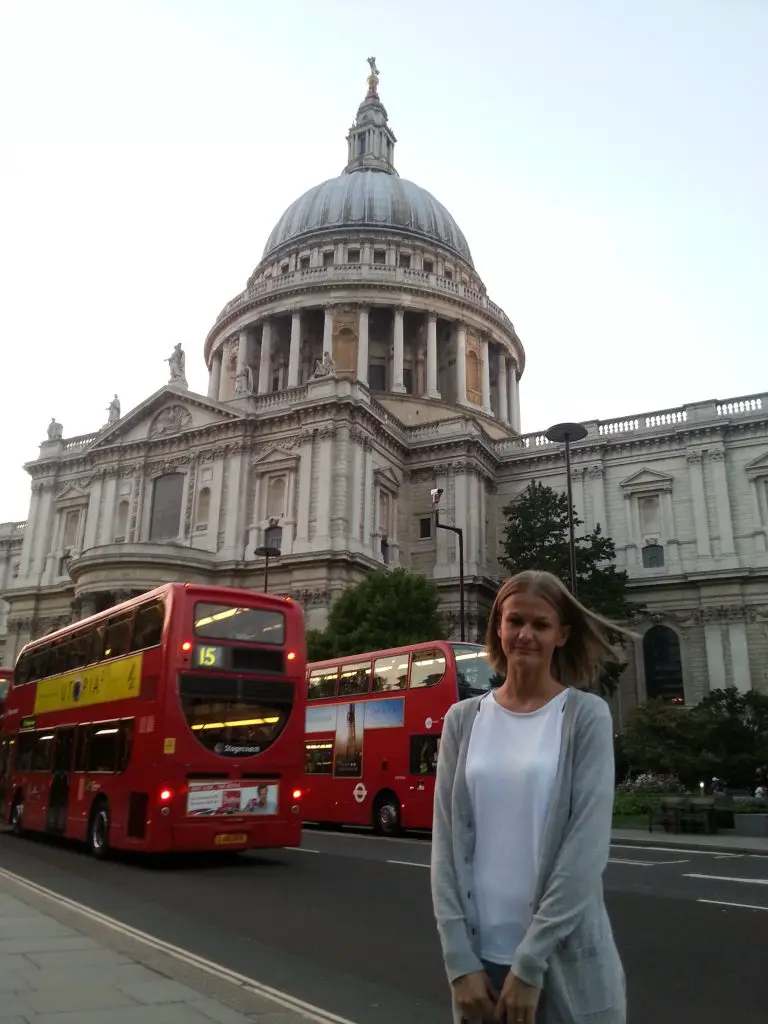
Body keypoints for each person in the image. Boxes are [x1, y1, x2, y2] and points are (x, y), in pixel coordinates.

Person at [431, 570, 632, 1024]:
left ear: (561, 635)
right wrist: (458, 961)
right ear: (497, 627)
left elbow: (584, 851)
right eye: (514, 621)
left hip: (559, 963)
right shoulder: (462, 720)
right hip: (482, 966)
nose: (525, 635)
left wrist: (530, 963)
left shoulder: (585, 716)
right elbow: (446, 848)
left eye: (540, 625)